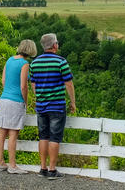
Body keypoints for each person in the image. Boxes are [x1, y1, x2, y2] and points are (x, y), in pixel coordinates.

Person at [28, 33, 76, 180]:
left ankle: (43, 168)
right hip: (56, 106)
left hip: (41, 105)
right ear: (54, 45)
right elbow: (68, 83)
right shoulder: (61, 61)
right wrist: (73, 102)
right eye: (57, 42)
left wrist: (40, 96)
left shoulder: (34, 63)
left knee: (43, 137)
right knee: (54, 138)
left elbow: (33, 84)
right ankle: (52, 170)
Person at [0, 40, 36, 174]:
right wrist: (25, 101)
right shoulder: (25, 64)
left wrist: (8, 91)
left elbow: (3, 81)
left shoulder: (9, 60)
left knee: (2, 132)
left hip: (4, 99)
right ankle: (12, 166)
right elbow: (24, 86)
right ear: (31, 50)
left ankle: (1, 162)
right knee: (13, 133)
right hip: (16, 101)